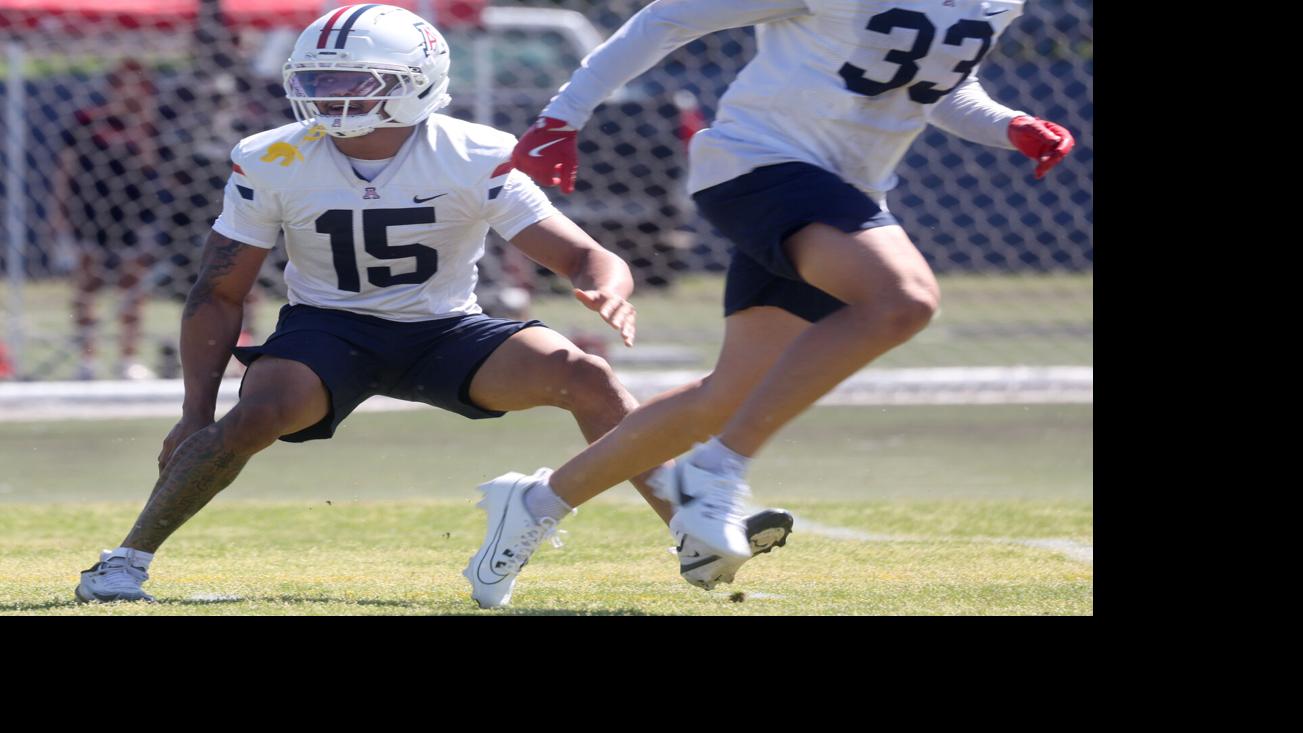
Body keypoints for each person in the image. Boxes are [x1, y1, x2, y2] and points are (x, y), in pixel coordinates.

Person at [74, 4, 790, 609]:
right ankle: (126, 559)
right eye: (315, 80)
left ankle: (692, 534)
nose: (326, 96)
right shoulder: (272, 156)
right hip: (329, 329)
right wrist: (193, 411)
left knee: (586, 375)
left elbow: (582, 253)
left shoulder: (471, 152)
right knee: (252, 415)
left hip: (445, 329)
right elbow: (219, 291)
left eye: (349, 81)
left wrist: (606, 281)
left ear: (415, 85)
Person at [475, 0, 1076, 590]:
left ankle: (534, 503)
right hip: (758, 165)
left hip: (845, 193)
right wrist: (563, 115)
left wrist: (1009, 125)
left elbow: (938, 86)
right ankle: (714, 473)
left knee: (726, 398)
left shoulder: (998, 3)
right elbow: (670, 16)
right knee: (903, 299)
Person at [53, 59, 163, 380]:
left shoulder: (149, 122)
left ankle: (128, 358)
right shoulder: (87, 120)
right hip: (89, 210)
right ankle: (86, 359)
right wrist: (58, 213)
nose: (130, 91)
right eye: (122, 83)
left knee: (133, 284)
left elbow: (151, 163)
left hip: (132, 211)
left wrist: (140, 121)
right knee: (87, 282)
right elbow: (66, 168)